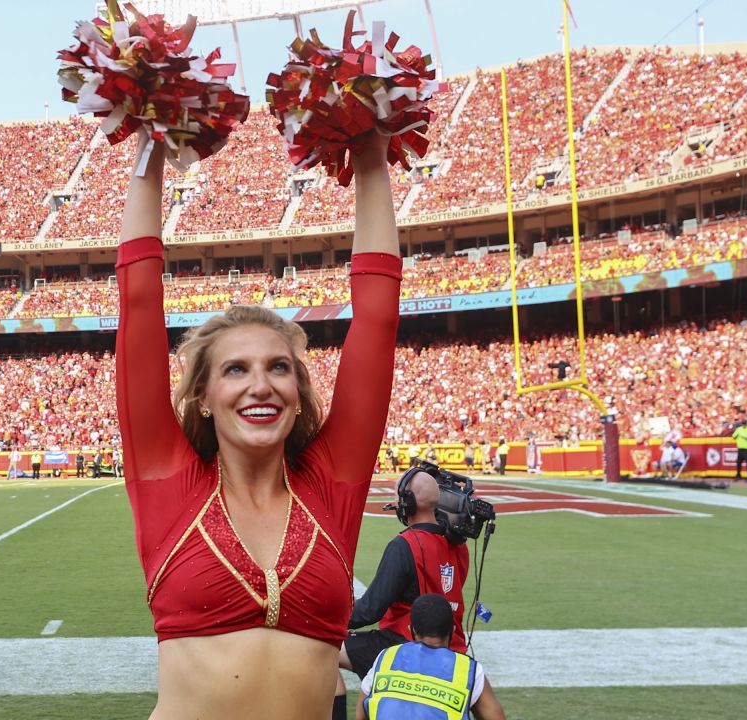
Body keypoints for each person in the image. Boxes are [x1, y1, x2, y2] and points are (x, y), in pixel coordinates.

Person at [116, 132, 401, 720]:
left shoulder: (332, 485)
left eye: (278, 367)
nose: (261, 385)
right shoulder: (168, 481)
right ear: (203, 396)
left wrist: (371, 150)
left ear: (297, 391)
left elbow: (376, 315)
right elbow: (138, 301)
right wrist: (150, 133)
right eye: (236, 370)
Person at [335, 471, 470, 715]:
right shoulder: (460, 547)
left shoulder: (405, 544)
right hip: (452, 644)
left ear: (407, 502)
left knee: (323, 653)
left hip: (404, 643)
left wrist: (325, 619)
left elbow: (370, 610)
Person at [357, 594, 505, 720]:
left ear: (411, 630)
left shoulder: (386, 657)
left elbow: (361, 715)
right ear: (452, 631)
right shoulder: (468, 670)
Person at [731, 418, 747, 482]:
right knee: (738, 463)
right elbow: (734, 436)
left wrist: (745, 437)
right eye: (743, 423)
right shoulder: (739, 429)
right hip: (740, 449)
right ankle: (738, 476)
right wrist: (735, 435)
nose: (744, 425)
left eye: (745, 423)